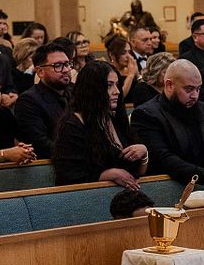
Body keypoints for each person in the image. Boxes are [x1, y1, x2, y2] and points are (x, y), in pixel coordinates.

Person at [52, 60, 148, 188]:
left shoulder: (115, 119)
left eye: (117, 85)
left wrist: (144, 153)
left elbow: (136, 173)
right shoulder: (71, 125)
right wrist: (107, 175)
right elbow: (69, 177)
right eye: (109, 85)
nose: (117, 91)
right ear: (92, 89)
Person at [131, 60, 204, 188]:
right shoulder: (146, 114)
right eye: (189, 89)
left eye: (198, 89)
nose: (195, 96)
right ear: (169, 85)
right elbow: (163, 158)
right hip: (168, 187)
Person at [14, 43, 73, 159]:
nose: (66, 70)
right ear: (40, 72)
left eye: (67, 64)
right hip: (53, 165)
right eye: (58, 65)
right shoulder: (29, 101)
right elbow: (41, 145)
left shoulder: (76, 91)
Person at [105, 35, 139, 104]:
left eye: (129, 52)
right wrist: (131, 75)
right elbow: (119, 97)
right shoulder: (108, 72)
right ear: (112, 55)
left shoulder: (130, 69)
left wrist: (137, 74)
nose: (129, 56)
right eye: (123, 53)